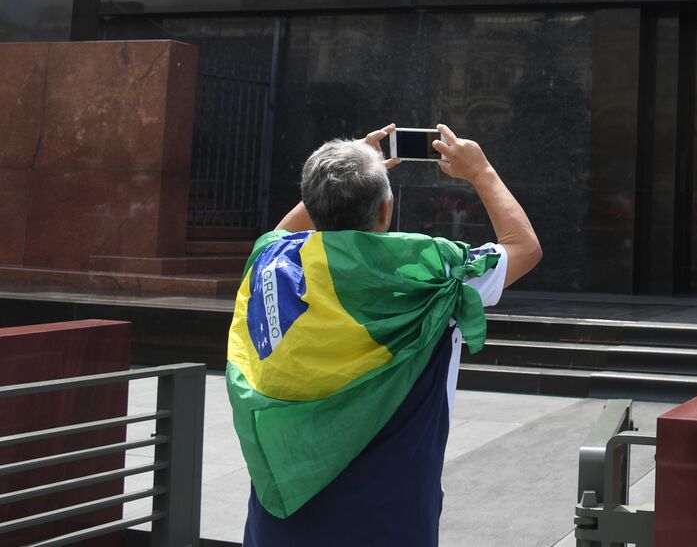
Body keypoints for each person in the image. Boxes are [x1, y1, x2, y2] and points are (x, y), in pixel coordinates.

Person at [227, 123, 541, 545]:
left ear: (312, 202)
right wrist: (481, 170)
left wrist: (338, 175)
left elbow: (283, 232)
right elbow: (524, 247)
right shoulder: (433, 273)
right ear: (384, 211)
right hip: (391, 520)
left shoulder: (273, 264)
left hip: (282, 521)